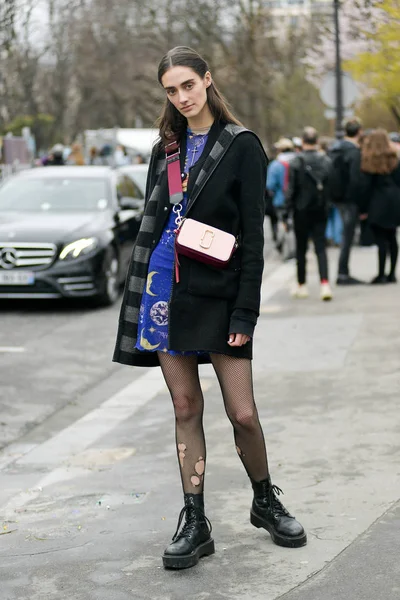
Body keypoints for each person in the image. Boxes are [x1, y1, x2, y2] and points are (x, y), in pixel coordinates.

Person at [113, 46, 306, 570]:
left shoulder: (241, 145)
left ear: (207, 80)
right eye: (171, 90)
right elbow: (156, 222)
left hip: (220, 296)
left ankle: (264, 500)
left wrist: (246, 314)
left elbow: (253, 238)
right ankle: (194, 519)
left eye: (188, 86)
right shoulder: (166, 148)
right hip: (162, 293)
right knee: (185, 408)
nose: (181, 97)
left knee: (242, 411)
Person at [286, 127, 333, 301]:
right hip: (320, 209)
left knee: (301, 248)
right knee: (321, 247)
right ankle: (325, 284)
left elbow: (291, 190)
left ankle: (302, 285)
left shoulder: (296, 162)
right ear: (317, 142)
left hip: (301, 211)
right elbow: (331, 187)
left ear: (302, 141)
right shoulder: (326, 161)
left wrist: (286, 212)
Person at [356, 129, 400, 284]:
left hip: (377, 202)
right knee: (392, 237)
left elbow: (365, 187)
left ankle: (381, 273)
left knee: (380, 239)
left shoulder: (369, 161)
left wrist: (363, 209)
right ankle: (392, 273)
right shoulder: (394, 158)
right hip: (395, 200)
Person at [328, 117, 364, 285]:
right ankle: (343, 273)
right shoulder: (354, 151)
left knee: (344, 235)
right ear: (359, 132)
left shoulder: (334, 148)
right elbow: (355, 180)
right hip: (349, 199)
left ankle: (342, 271)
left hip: (335, 196)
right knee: (347, 236)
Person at [266, 138, 296, 245]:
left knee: (281, 222)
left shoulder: (275, 165)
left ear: (280, 150)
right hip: (297, 200)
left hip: (280, 199)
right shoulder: (298, 161)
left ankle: (282, 245)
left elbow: (270, 185)